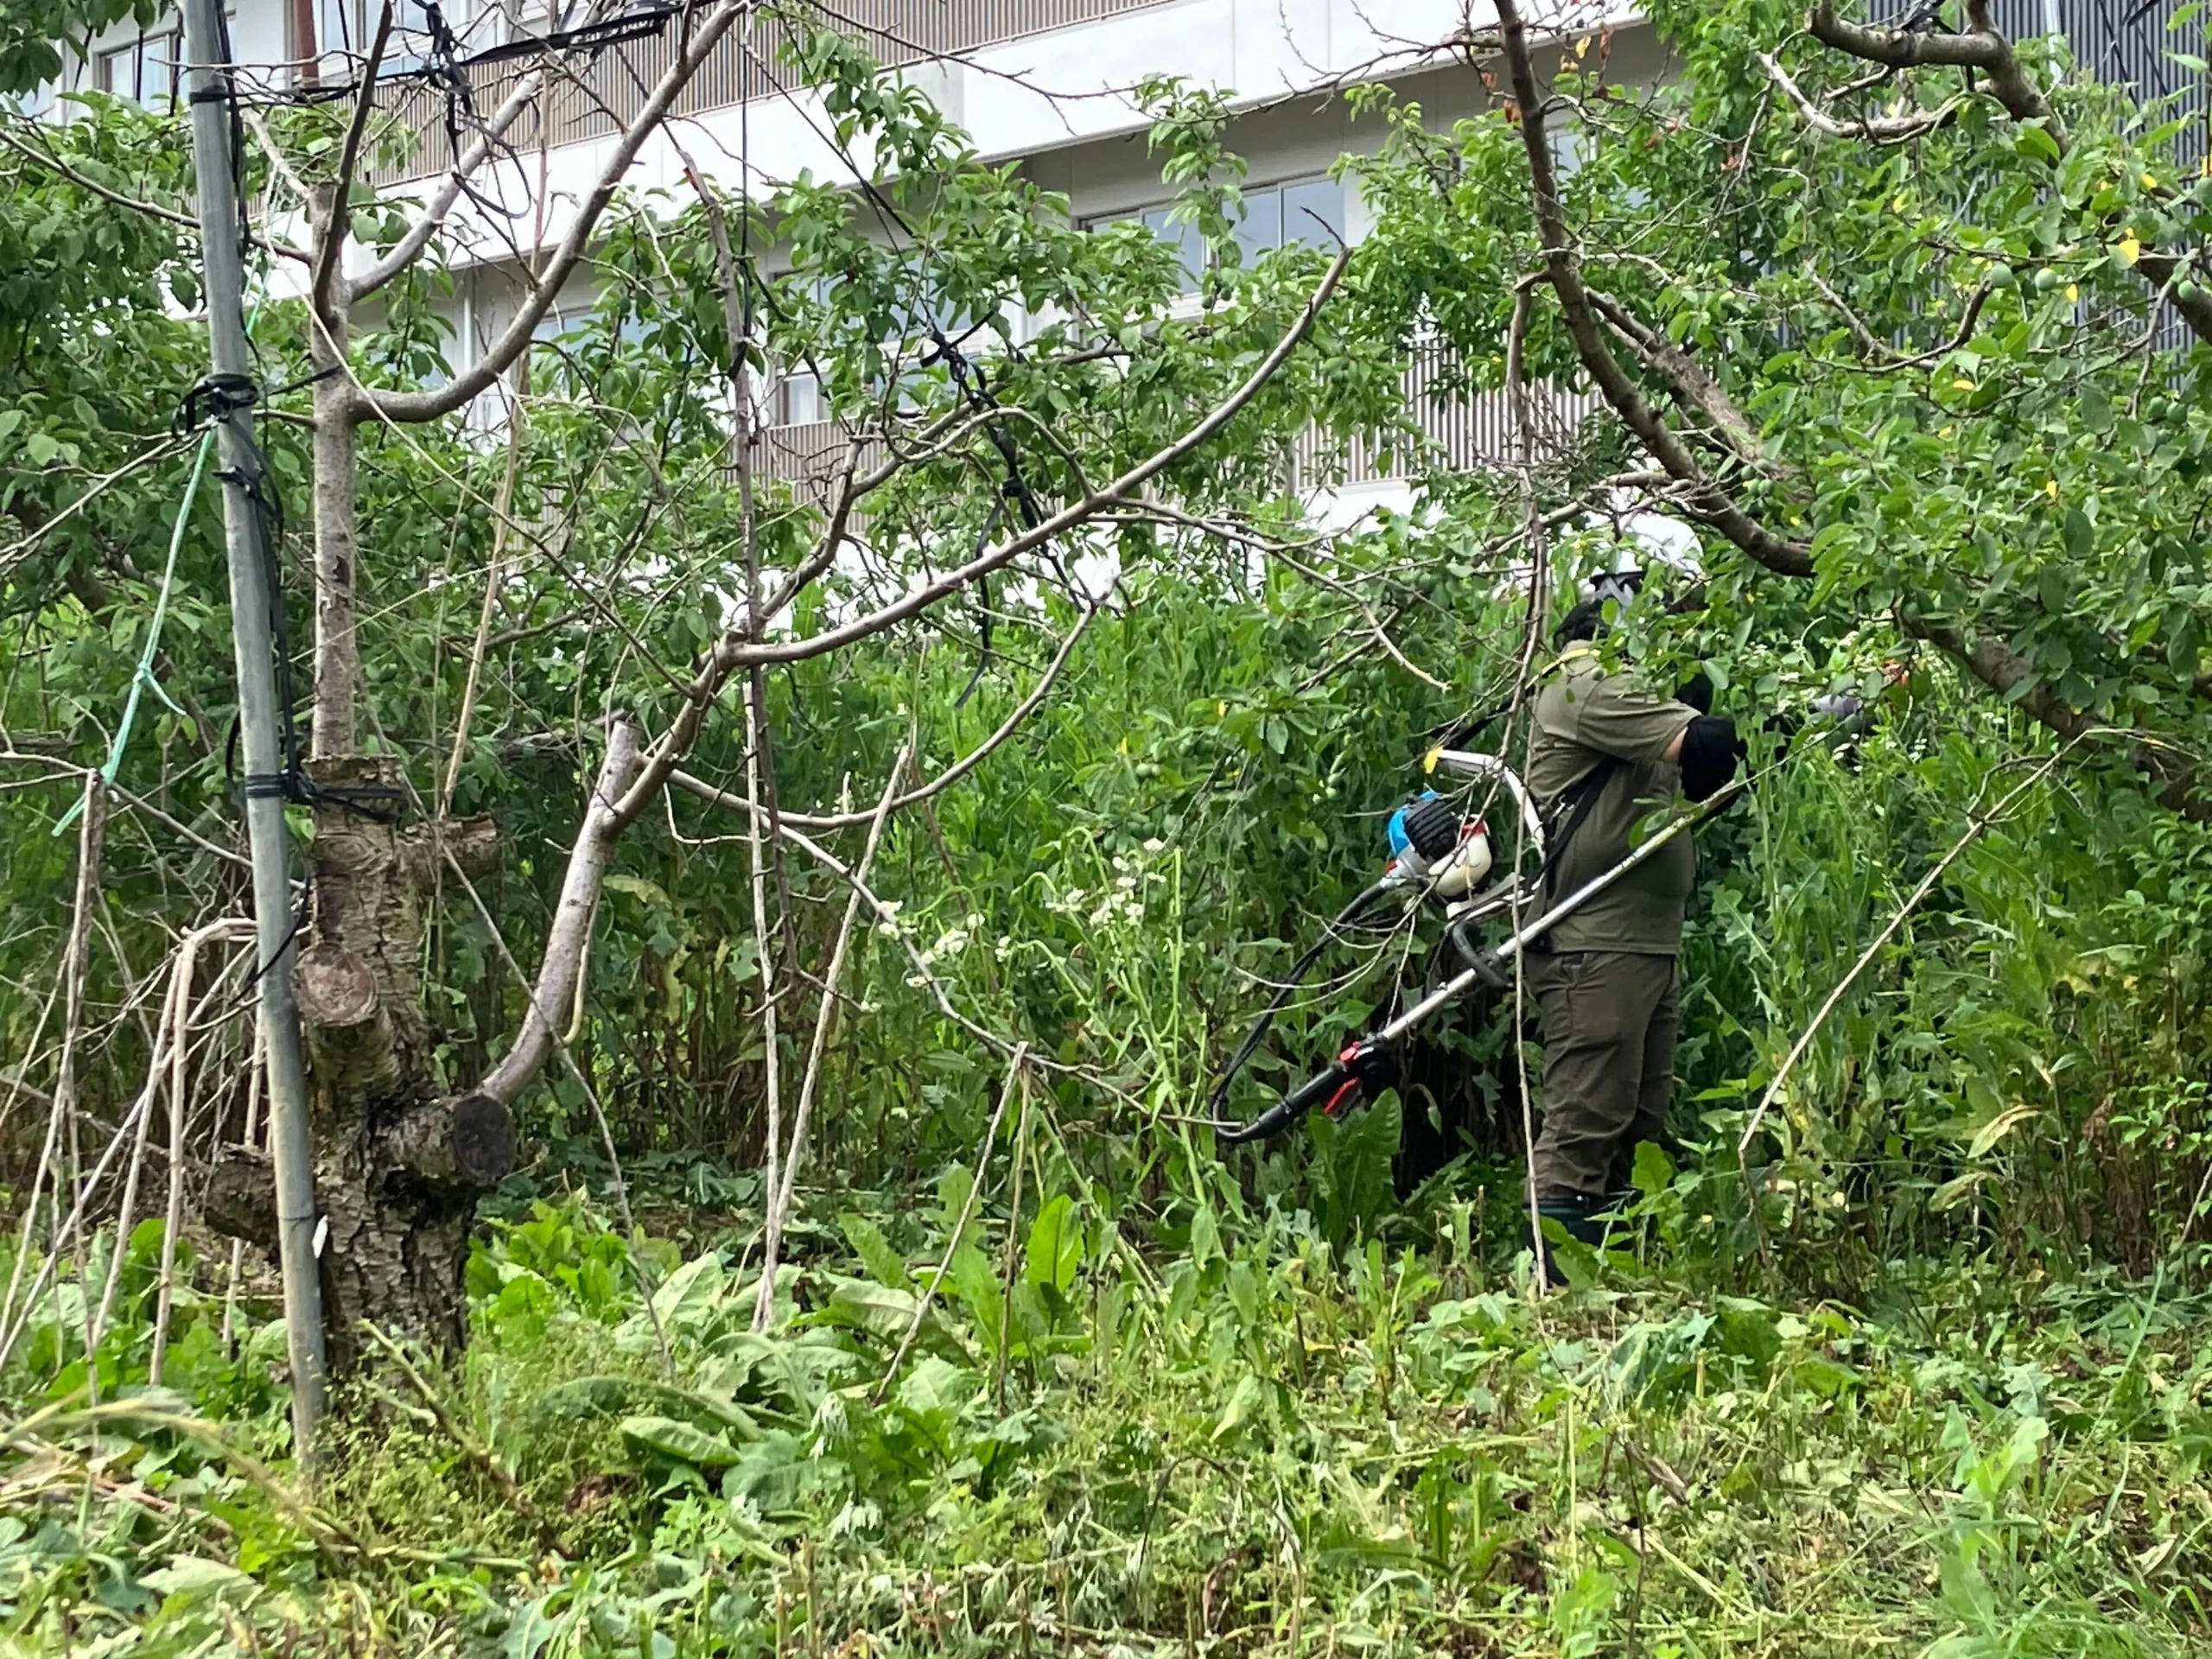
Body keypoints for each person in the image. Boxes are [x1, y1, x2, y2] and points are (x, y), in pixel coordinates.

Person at [1521, 577, 1742, 1277]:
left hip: (1642, 940)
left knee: (1636, 1122)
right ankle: (1559, 1286)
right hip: (1596, 939)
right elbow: (1701, 748)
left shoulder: (1628, 690)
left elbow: (1705, 774)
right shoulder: (1586, 681)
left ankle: (1609, 1279)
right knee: (1587, 1119)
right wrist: (1790, 718)